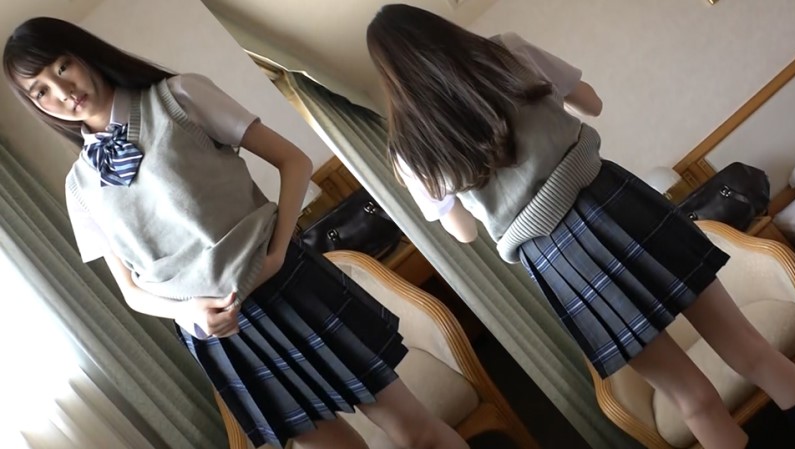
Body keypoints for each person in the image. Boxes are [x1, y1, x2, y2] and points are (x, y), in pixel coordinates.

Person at [3, 17, 470, 449]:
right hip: (221, 335)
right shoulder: (80, 188)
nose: (62, 91)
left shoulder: (178, 96)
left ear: (83, 54)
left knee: (415, 432)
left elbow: (293, 161)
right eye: (40, 91)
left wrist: (278, 252)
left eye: (62, 67)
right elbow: (131, 290)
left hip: (289, 286)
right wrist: (187, 313)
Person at [366, 4, 795, 449]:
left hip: (559, 261)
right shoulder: (506, 51)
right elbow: (591, 103)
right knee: (748, 348)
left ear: (390, 77)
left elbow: (464, 233)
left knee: (692, 399)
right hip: (617, 204)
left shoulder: (408, 152)